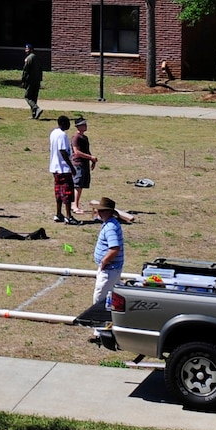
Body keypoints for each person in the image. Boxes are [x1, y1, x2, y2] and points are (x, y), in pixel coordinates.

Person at [89, 197, 127, 338]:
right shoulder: (110, 223)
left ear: (108, 212)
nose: (98, 213)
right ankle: (113, 323)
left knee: (99, 298)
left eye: (101, 211)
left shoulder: (110, 227)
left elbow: (114, 248)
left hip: (109, 269)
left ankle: (99, 330)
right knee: (114, 296)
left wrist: (104, 262)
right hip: (113, 268)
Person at [48, 116, 75, 224]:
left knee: (59, 192)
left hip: (55, 168)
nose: (69, 125)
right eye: (68, 122)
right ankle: (69, 216)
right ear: (63, 123)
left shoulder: (54, 133)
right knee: (67, 193)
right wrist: (71, 167)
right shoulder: (62, 135)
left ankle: (58, 214)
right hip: (63, 168)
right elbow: (63, 151)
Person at [70, 116, 96, 215]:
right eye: (83, 124)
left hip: (84, 164)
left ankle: (75, 204)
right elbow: (76, 152)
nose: (86, 126)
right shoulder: (76, 138)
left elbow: (87, 151)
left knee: (81, 186)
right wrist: (90, 157)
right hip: (78, 164)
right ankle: (75, 206)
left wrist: (92, 159)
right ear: (78, 126)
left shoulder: (84, 138)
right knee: (77, 185)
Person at [20, 44, 43, 119]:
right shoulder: (37, 58)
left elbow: (25, 71)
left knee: (27, 96)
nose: (25, 50)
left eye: (27, 49)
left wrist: (23, 80)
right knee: (34, 97)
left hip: (31, 81)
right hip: (37, 80)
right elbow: (40, 69)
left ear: (31, 50)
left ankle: (36, 108)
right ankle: (34, 114)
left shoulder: (29, 58)